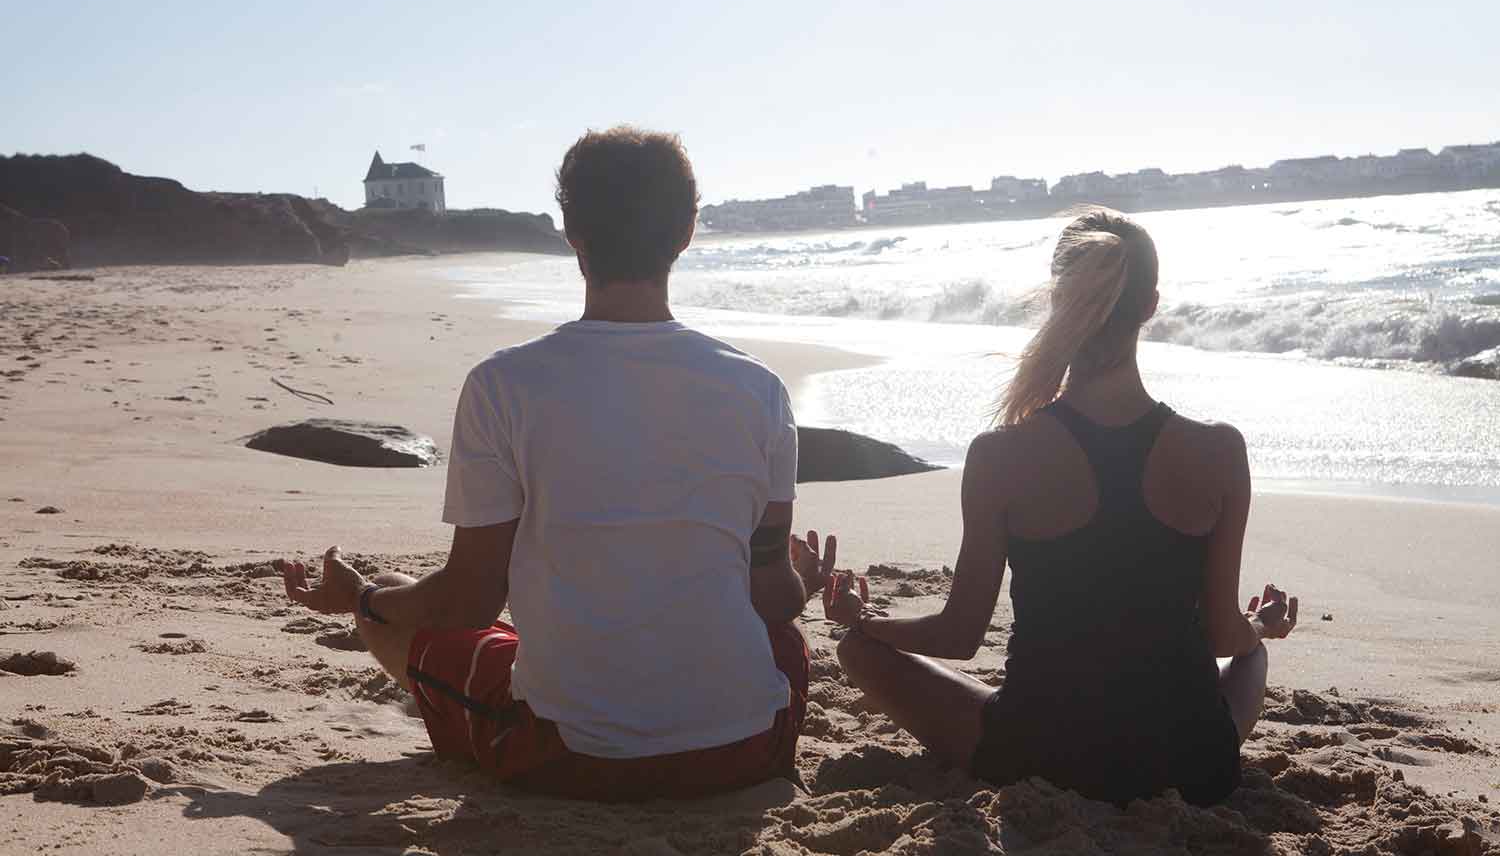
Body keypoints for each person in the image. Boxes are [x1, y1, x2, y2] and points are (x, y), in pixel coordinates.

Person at [280, 126, 840, 801]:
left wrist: (363, 598)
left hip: (568, 758)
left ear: (570, 229)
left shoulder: (505, 385)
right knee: (779, 641)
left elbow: (469, 598)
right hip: (741, 752)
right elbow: (767, 595)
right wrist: (801, 581)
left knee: (401, 605)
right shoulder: (760, 390)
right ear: (688, 229)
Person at [825, 207, 1299, 806]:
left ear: (1058, 299)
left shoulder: (1000, 454)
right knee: (1251, 657)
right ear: (1151, 305)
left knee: (857, 653)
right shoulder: (1219, 449)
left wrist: (866, 624)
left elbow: (960, 634)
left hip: (1037, 756)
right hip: (1189, 760)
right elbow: (1222, 635)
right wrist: (1261, 628)